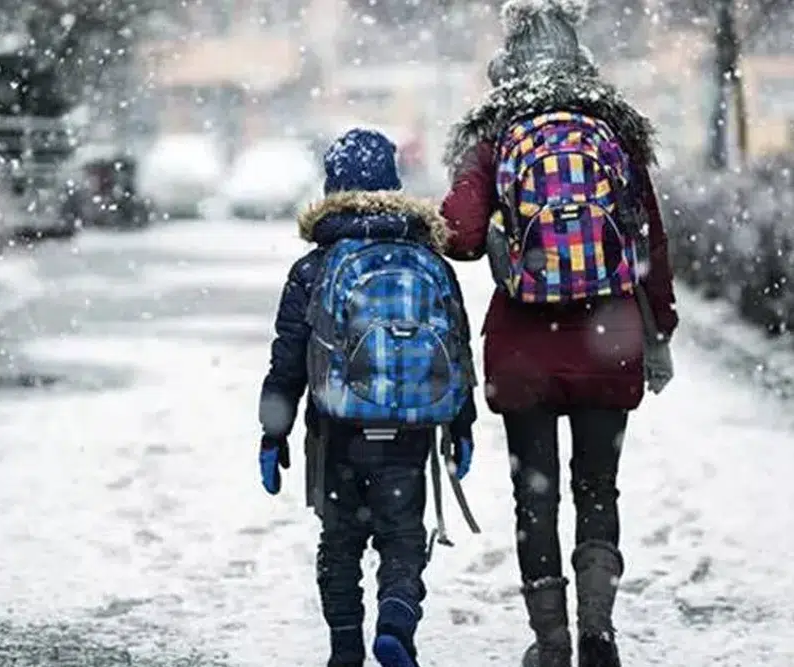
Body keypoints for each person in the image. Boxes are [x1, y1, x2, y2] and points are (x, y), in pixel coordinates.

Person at [438, 1, 679, 666]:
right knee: (597, 487)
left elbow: (459, 234)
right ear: (580, 57)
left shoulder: (496, 136)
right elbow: (651, 243)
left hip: (525, 351)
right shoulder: (613, 133)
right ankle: (598, 631)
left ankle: (550, 642)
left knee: (534, 496)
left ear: (509, 62)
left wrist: (489, 220)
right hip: (609, 339)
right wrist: (659, 328)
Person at [258, 128, 478, 667]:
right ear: (394, 184)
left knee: (340, 543)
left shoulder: (314, 267)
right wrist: (462, 424)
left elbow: (288, 360)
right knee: (402, 537)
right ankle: (396, 623)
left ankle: (345, 648)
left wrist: (273, 433)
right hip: (409, 431)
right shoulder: (429, 260)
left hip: (337, 431)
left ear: (331, 187)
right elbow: (457, 348)